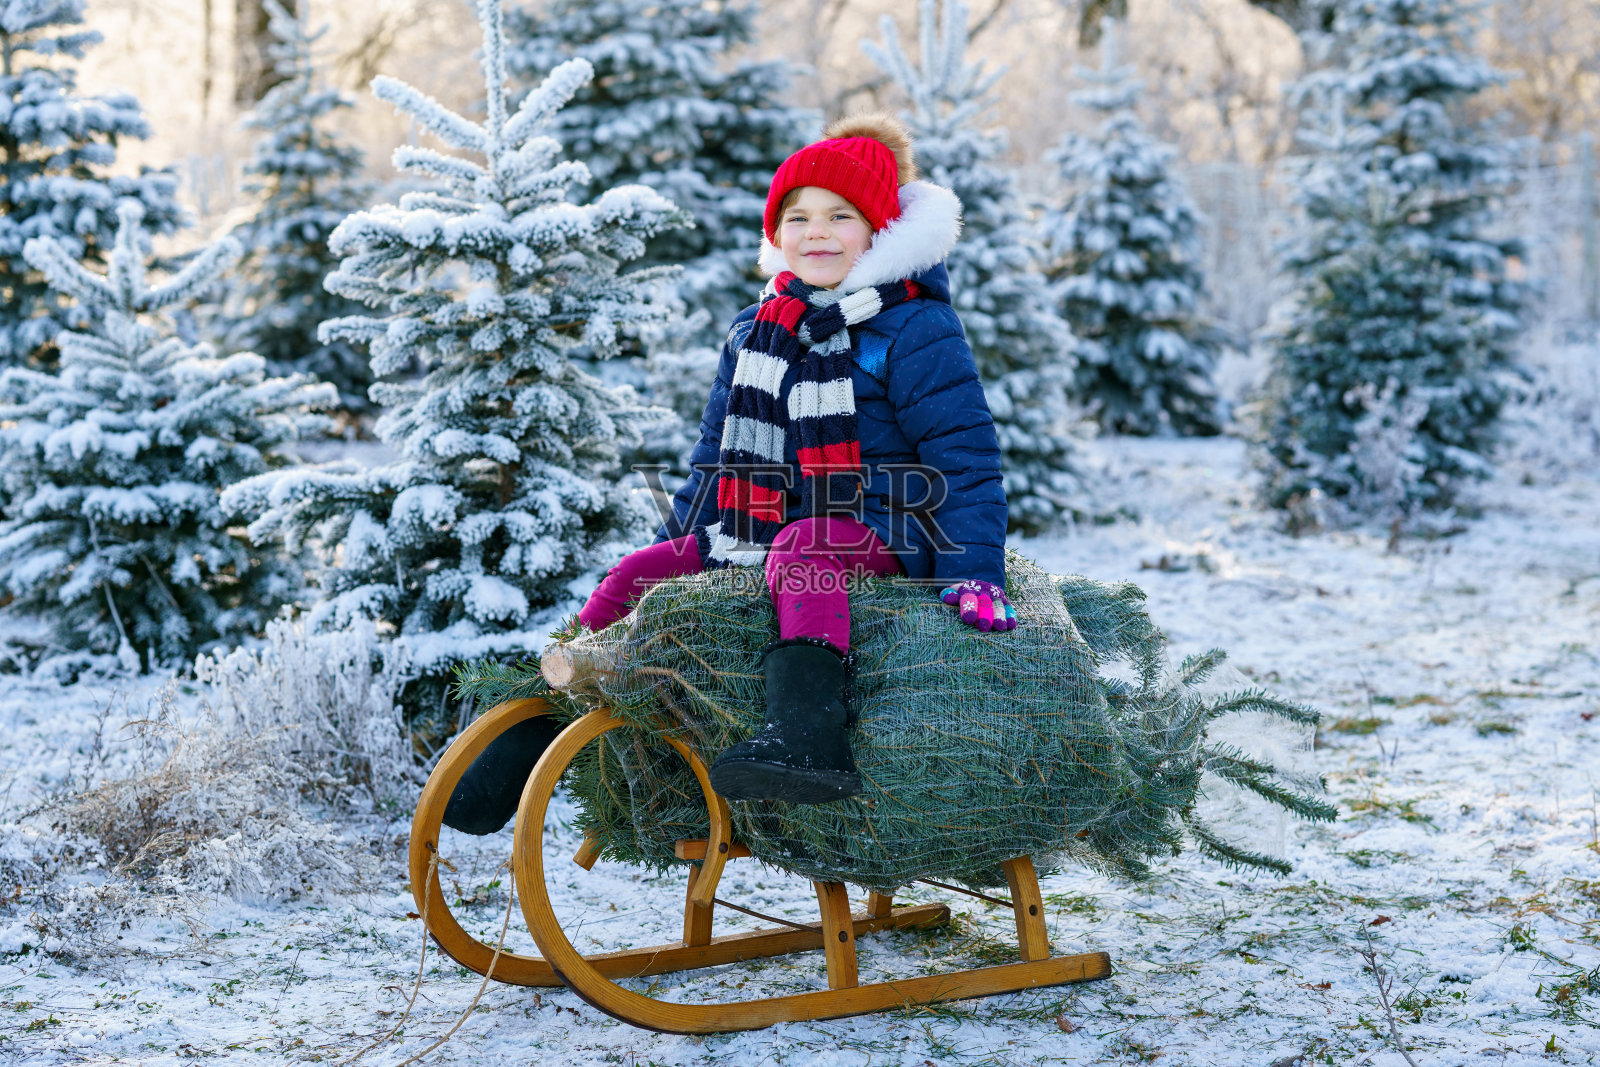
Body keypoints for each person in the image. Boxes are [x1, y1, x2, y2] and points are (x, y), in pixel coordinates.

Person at [442, 112, 1015, 835]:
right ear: (776, 231)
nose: (817, 233)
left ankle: (809, 736)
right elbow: (715, 457)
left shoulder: (914, 326)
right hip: (763, 526)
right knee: (638, 571)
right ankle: (518, 746)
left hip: (886, 527)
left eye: (841, 216)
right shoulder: (757, 329)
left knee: (804, 547)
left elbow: (964, 456)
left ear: (880, 230)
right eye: (798, 217)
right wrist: (677, 550)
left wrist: (975, 572)